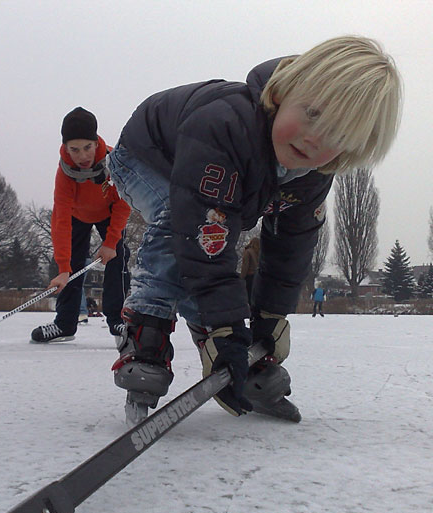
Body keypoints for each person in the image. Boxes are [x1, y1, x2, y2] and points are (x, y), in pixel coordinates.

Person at [106, 36, 402, 425]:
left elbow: (291, 246)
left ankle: (223, 346)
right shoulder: (226, 126)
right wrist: (228, 328)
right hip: (143, 158)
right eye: (312, 113)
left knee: (208, 239)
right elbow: (203, 237)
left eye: (337, 136)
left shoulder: (313, 174)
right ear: (283, 93)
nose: (315, 139)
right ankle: (146, 332)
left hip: (201, 188)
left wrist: (268, 316)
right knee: (179, 219)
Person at [31, 107, 132, 343]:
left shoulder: (113, 162)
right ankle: (65, 324)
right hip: (77, 216)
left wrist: (110, 242)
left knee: (118, 258)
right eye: (74, 149)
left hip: (109, 213)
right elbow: (61, 219)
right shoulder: (65, 174)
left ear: (96, 143)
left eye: (87, 147)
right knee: (73, 266)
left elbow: (123, 203)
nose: (82, 155)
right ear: (66, 148)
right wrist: (63, 268)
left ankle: (117, 321)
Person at [240, 236, 261, 304]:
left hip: (249, 276)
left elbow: (245, 266)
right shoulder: (260, 253)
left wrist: (242, 277)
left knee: (247, 295)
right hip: (258, 277)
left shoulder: (248, 252)